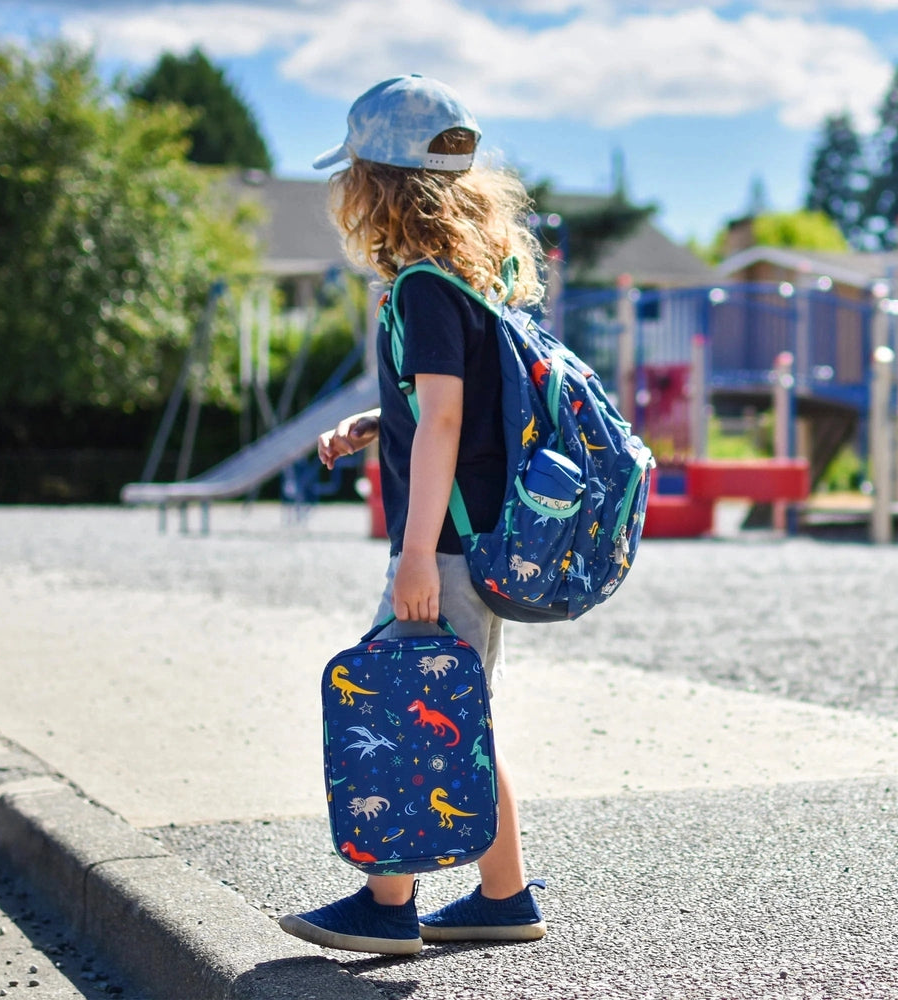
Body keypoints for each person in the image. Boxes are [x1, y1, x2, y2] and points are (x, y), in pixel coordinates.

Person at [279, 74, 548, 957]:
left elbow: (445, 418)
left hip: (450, 549)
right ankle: (503, 896)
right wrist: (372, 423)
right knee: (460, 711)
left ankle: (387, 902)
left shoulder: (426, 290)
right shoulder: (480, 281)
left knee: (397, 702)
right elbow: (441, 405)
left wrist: (417, 554)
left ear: (377, 183)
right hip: (473, 541)